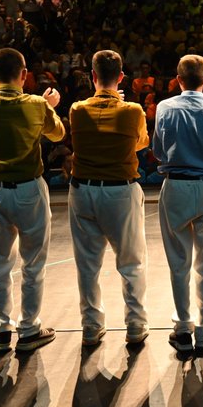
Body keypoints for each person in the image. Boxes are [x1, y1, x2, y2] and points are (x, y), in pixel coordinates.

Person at [0, 47, 66, 353]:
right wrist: (49, 107)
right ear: (24, 75)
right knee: (33, 262)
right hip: (29, 190)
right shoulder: (37, 104)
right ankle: (29, 328)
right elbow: (58, 134)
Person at [68, 49, 150, 348]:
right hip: (120, 191)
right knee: (131, 262)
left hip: (83, 191)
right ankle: (135, 324)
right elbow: (141, 142)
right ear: (121, 77)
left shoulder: (77, 109)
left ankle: (91, 326)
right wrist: (124, 104)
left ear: (93, 76)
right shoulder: (132, 111)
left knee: (87, 265)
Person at [152, 53, 203, 353]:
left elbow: (159, 150)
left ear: (178, 78)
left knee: (178, 262)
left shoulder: (164, 107)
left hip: (174, 186)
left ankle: (183, 327)